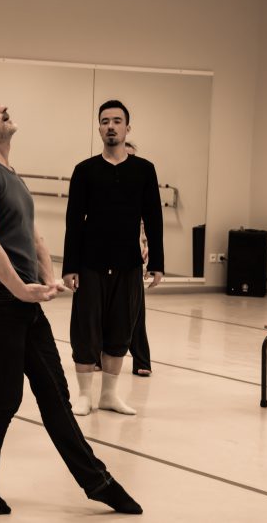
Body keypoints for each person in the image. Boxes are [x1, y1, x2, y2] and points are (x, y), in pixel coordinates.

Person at [0, 96, 142, 515]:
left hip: (18, 300)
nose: (1, 106)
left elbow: (33, 235)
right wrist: (20, 288)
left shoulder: (9, 174)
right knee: (5, 397)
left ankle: (98, 483)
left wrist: (47, 275)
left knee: (55, 394)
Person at [63, 101, 163, 416]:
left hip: (128, 262)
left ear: (127, 128)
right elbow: (73, 221)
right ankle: (84, 394)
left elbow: (154, 218)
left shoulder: (144, 170)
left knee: (121, 327)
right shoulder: (85, 170)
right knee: (86, 327)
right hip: (90, 262)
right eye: (105, 121)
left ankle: (109, 394)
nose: (111, 126)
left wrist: (157, 263)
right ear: (99, 128)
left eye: (117, 121)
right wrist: (70, 266)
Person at [125, 141, 152, 377]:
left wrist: (147, 247)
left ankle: (141, 359)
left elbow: (148, 223)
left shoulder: (140, 185)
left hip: (132, 258)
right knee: (103, 310)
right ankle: (98, 356)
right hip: (105, 258)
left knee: (136, 309)